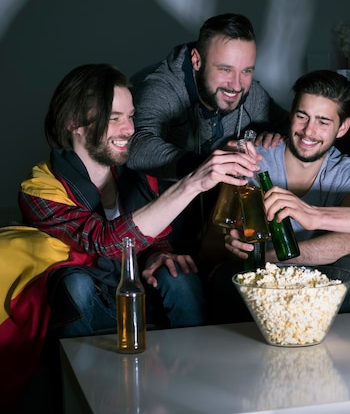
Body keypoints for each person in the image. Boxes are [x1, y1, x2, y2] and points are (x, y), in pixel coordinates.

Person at [17, 63, 261, 342]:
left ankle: (199, 368)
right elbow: (105, 241)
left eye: (131, 116)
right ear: (74, 123)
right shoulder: (39, 189)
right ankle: (74, 378)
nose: (129, 129)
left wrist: (159, 255)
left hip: (140, 297)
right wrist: (193, 183)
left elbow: (152, 236)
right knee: (76, 284)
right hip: (90, 308)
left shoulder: (134, 171)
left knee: (177, 273)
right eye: (114, 118)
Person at [204, 70, 350, 323]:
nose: (308, 132)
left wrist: (271, 258)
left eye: (323, 122)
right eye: (302, 116)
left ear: (343, 127)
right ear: (291, 114)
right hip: (257, 284)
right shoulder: (254, 159)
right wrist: (232, 246)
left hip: (315, 285)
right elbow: (208, 246)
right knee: (226, 278)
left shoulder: (346, 172)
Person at [127, 13, 290, 258]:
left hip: (215, 225)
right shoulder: (162, 86)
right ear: (196, 60)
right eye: (225, 69)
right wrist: (206, 167)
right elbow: (136, 145)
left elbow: (290, 125)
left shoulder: (249, 92)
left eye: (246, 71)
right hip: (154, 219)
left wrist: (268, 135)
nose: (236, 85)